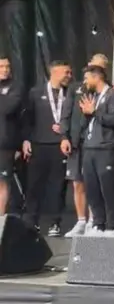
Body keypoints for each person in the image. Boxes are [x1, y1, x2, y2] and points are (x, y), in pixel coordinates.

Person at [61, 53, 109, 237]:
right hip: (75, 140)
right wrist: (64, 136)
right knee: (77, 182)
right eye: (92, 66)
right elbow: (65, 113)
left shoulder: (107, 90)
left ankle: (93, 220)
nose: (94, 70)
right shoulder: (75, 88)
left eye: (100, 67)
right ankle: (81, 221)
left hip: (95, 141)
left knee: (93, 182)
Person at [22, 61, 72, 236]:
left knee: (57, 186)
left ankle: (54, 223)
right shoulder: (36, 92)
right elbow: (28, 117)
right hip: (38, 144)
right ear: (55, 72)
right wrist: (26, 139)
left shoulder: (70, 93)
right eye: (66, 72)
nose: (69, 76)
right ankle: (31, 221)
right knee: (34, 184)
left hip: (61, 145)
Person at [80, 65, 114, 236]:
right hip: (90, 146)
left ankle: (111, 225)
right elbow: (91, 119)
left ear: (97, 77)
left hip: (107, 147)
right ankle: (98, 223)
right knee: (92, 188)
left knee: (108, 187)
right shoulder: (94, 96)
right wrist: (87, 113)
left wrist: (94, 111)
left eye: (87, 78)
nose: (85, 82)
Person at [0, 56, 24, 216]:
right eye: (1, 66)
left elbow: (9, 107)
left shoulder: (15, 87)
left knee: (2, 181)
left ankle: (0, 219)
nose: (5, 69)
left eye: (7, 66)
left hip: (4, 143)